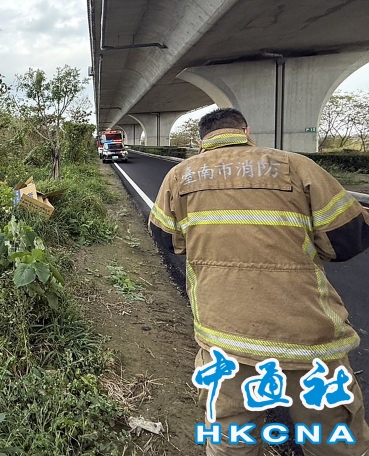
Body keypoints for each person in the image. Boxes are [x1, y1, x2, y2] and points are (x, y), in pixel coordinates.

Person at [148, 107, 369, 456]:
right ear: (246, 132)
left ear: (201, 141)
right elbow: (347, 239)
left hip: (225, 342)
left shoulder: (180, 176)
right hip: (309, 345)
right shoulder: (295, 165)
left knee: (230, 445)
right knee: (335, 445)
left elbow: (166, 239)